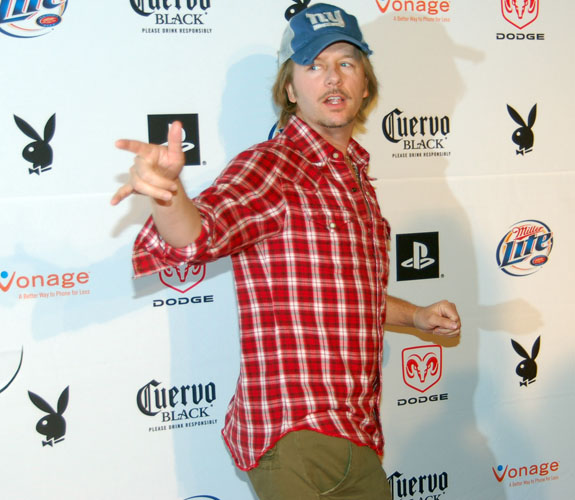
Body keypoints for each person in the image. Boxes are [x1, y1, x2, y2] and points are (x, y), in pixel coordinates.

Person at [111, 3, 461, 499]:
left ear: (365, 84)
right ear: (291, 90)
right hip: (294, 436)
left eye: (346, 62)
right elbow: (197, 235)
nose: (332, 78)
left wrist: (419, 316)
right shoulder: (274, 167)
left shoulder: (356, 177)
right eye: (313, 66)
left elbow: (348, 299)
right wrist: (169, 195)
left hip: (357, 434)